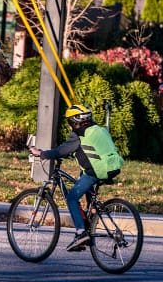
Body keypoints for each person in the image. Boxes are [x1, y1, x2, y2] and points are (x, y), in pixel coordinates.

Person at [29, 104, 124, 252]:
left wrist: (41, 153)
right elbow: (90, 149)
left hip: (95, 171)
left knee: (72, 198)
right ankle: (91, 211)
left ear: (74, 122)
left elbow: (61, 150)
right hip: (113, 167)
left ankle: (81, 233)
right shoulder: (99, 129)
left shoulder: (78, 134)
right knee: (82, 175)